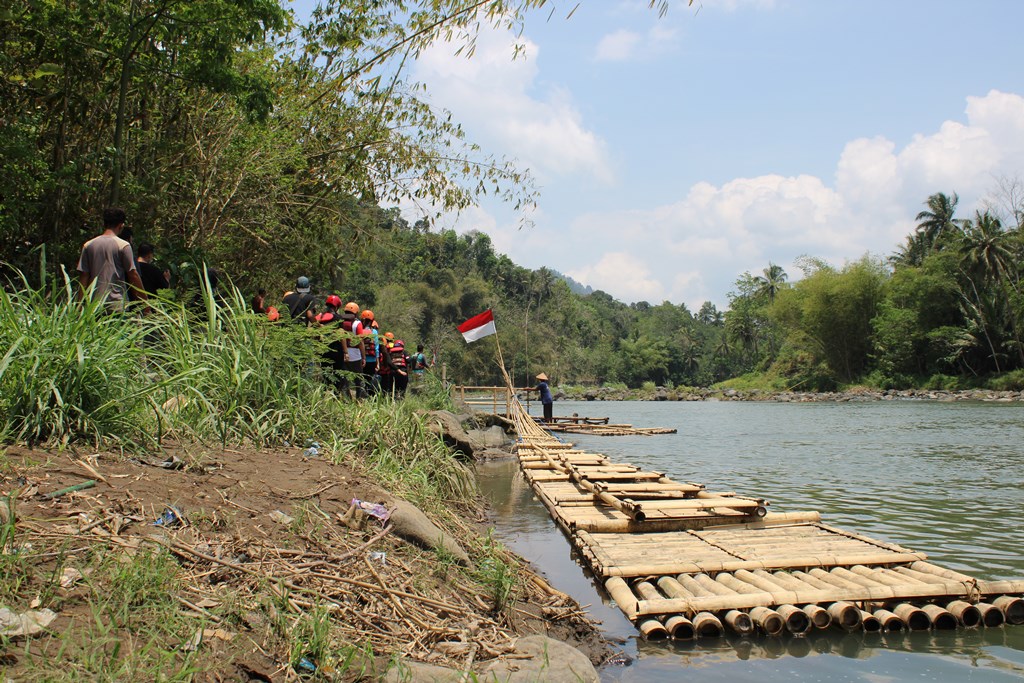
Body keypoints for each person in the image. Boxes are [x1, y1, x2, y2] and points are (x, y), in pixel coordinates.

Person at [77, 207, 148, 312]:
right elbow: (133, 275)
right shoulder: (123, 246)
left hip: (93, 306)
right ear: (121, 225)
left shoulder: (89, 245)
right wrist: (145, 304)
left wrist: (79, 306)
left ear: (104, 223)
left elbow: (84, 276)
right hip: (117, 305)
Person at [315, 295, 346, 393]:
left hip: (324, 350)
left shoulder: (321, 317)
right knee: (337, 373)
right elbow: (341, 335)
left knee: (325, 374)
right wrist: (346, 352)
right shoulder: (338, 318)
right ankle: (336, 395)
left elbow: (316, 334)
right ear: (336, 306)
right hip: (337, 350)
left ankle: (323, 393)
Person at [338, 301, 365, 398]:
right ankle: (359, 398)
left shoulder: (340, 321)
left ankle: (346, 399)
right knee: (358, 379)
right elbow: (360, 341)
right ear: (356, 313)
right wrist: (363, 357)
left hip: (342, 353)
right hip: (355, 354)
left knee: (344, 379)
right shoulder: (357, 323)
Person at [378, 332, 408, 397]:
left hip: (384, 371)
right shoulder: (393, 347)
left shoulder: (381, 347)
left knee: (387, 390)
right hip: (390, 371)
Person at [360, 309, 380, 396]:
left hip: (361, 360)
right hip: (372, 361)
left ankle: (362, 395)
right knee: (370, 380)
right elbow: (376, 348)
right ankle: (370, 396)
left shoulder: (359, 330)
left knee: (362, 379)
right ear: (372, 321)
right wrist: (378, 363)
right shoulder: (374, 332)